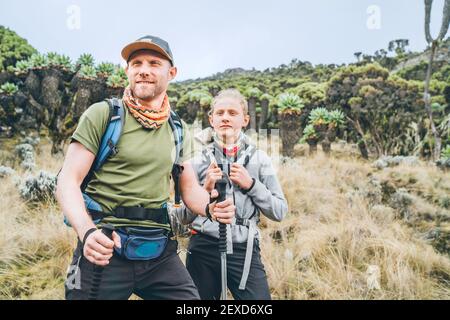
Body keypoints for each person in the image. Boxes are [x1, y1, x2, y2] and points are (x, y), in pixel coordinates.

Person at [56, 35, 235, 300]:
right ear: (127, 70)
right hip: (104, 244)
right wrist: (87, 232)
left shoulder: (177, 129)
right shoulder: (103, 115)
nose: (144, 70)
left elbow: (189, 190)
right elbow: (67, 181)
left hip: (159, 251)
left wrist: (209, 207)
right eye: (136, 63)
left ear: (171, 73)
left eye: (154, 63)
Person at [172, 89, 288, 300]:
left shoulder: (260, 159)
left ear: (245, 120)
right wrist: (205, 189)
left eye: (233, 113)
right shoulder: (194, 159)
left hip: (244, 250)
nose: (225, 117)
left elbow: (279, 211)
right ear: (211, 119)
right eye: (220, 113)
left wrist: (251, 184)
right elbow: (181, 219)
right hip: (202, 249)